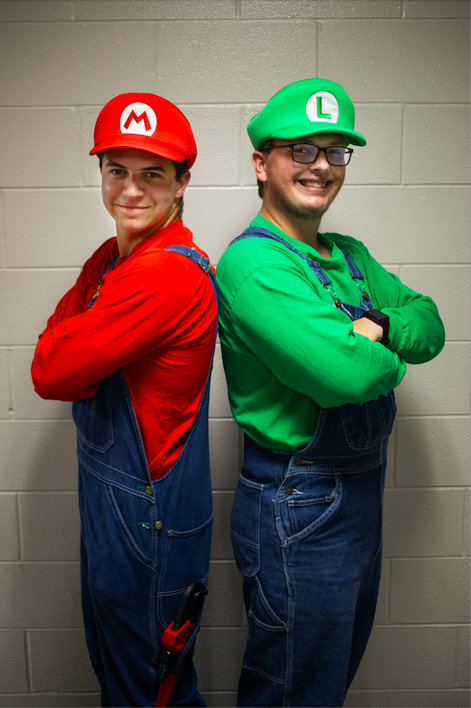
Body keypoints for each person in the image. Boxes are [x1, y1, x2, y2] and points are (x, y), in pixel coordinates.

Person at [216, 78, 445, 708]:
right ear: (262, 164)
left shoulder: (348, 253)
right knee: (293, 688)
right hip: (301, 505)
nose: (321, 166)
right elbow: (346, 376)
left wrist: (380, 328)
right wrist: (378, 355)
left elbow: (430, 322)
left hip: (356, 496)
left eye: (335, 151)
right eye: (301, 150)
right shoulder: (254, 266)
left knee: (327, 679)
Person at [31, 93, 218, 707]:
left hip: (146, 520)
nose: (131, 191)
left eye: (152, 174)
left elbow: (51, 370)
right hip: (119, 512)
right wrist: (76, 340)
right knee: (123, 683)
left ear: (182, 182)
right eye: (117, 171)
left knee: (150, 693)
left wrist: (77, 350)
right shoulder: (115, 257)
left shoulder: (163, 273)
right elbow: (62, 333)